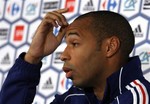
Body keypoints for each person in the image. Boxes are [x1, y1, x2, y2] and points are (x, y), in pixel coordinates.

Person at [0, 8, 150, 104]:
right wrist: (32, 57)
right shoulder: (72, 98)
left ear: (109, 47)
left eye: (75, 43)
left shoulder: (138, 97)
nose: (63, 55)